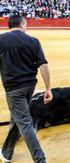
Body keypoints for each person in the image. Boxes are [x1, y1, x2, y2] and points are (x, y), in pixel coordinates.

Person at [0, 15, 53, 163]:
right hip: (30, 86)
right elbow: (43, 65)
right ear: (22, 24)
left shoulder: (1, 40)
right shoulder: (33, 41)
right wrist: (48, 88)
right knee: (17, 118)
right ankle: (6, 153)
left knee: (24, 122)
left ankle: (40, 160)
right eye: (26, 24)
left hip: (13, 88)